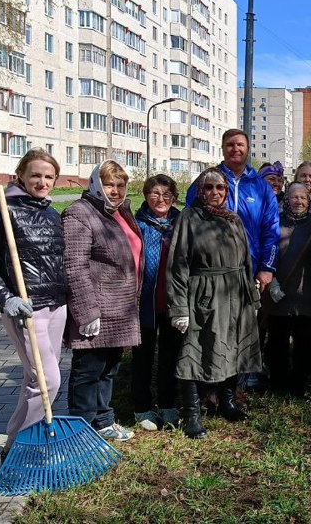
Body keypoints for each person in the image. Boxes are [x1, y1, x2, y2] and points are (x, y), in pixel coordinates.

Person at [0, 148, 68, 463]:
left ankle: (19, 444)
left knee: (35, 380)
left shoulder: (52, 214)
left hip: (56, 305)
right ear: (21, 176)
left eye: (48, 176)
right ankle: (20, 448)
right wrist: (5, 298)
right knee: (48, 380)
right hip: (25, 309)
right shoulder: (1, 209)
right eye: (36, 175)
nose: (42, 181)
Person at [168, 168, 262, 438]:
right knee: (195, 350)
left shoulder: (233, 219)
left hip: (236, 292)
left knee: (233, 346)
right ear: (200, 190)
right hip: (203, 293)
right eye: (208, 187)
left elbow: (246, 261)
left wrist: (252, 298)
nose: (214, 193)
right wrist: (179, 308)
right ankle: (192, 413)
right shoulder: (190, 217)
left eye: (220, 188)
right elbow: (178, 263)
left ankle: (227, 401)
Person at [184, 129, 279, 390]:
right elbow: (191, 215)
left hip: (246, 270)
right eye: (229, 145)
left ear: (248, 149)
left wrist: (267, 268)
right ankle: (209, 386)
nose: (235, 149)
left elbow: (271, 229)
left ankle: (234, 388)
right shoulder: (209, 179)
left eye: (240, 145)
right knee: (211, 329)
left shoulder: (260, 186)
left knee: (242, 328)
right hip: (211, 272)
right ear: (222, 148)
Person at [63, 160, 142, 442]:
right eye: (109, 184)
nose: (116, 190)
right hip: (96, 307)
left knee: (110, 368)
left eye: (120, 185)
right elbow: (74, 266)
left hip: (120, 307)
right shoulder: (80, 213)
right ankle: (79, 430)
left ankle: (103, 421)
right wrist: (86, 312)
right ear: (96, 184)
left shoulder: (119, 213)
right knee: (88, 371)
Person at [132, 175, 182, 431]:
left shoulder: (180, 223)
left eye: (166, 194)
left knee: (170, 355)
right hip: (145, 302)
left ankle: (168, 403)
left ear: (174, 197)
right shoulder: (136, 223)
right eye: (154, 193)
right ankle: (141, 406)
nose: (160, 199)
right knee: (142, 356)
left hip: (174, 302)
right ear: (145, 195)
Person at [264, 182, 311, 396]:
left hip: (307, 295)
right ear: (286, 200)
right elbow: (266, 254)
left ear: (309, 201)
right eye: (294, 197)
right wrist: (271, 281)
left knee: (304, 343)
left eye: (303, 198)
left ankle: (299, 383)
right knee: (277, 341)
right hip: (279, 295)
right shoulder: (275, 225)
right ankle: (278, 382)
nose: (298, 201)